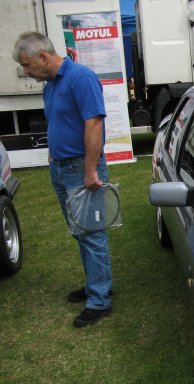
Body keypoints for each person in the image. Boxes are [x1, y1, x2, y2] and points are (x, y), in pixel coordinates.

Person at [13, 31, 113, 328]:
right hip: (60, 167)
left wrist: (91, 170)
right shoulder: (51, 84)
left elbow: (94, 125)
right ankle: (96, 283)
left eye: (27, 65)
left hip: (81, 168)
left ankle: (99, 299)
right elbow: (60, 122)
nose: (27, 73)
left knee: (92, 233)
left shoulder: (81, 78)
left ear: (43, 56)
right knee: (78, 231)